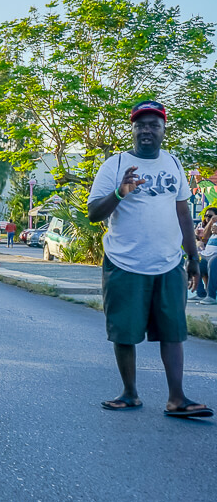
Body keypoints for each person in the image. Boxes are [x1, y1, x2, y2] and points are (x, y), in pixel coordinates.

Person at [88, 100, 211, 419]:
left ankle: (177, 398)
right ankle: (129, 393)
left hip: (169, 264)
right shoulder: (114, 165)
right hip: (124, 264)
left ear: (162, 129)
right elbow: (93, 213)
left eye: (153, 124)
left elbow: (183, 212)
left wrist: (193, 257)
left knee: (173, 332)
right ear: (133, 129)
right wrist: (120, 192)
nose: (147, 129)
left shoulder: (173, 163)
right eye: (140, 124)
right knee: (123, 332)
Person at [191, 208, 217, 304]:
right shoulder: (211, 225)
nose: (207, 218)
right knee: (194, 260)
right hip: (207, 254)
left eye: (210, 216)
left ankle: (211, 296)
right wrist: (211, 222)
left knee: (213, 262)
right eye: (206, 216)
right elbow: (205, 238)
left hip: (215, 256)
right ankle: (200, 293)